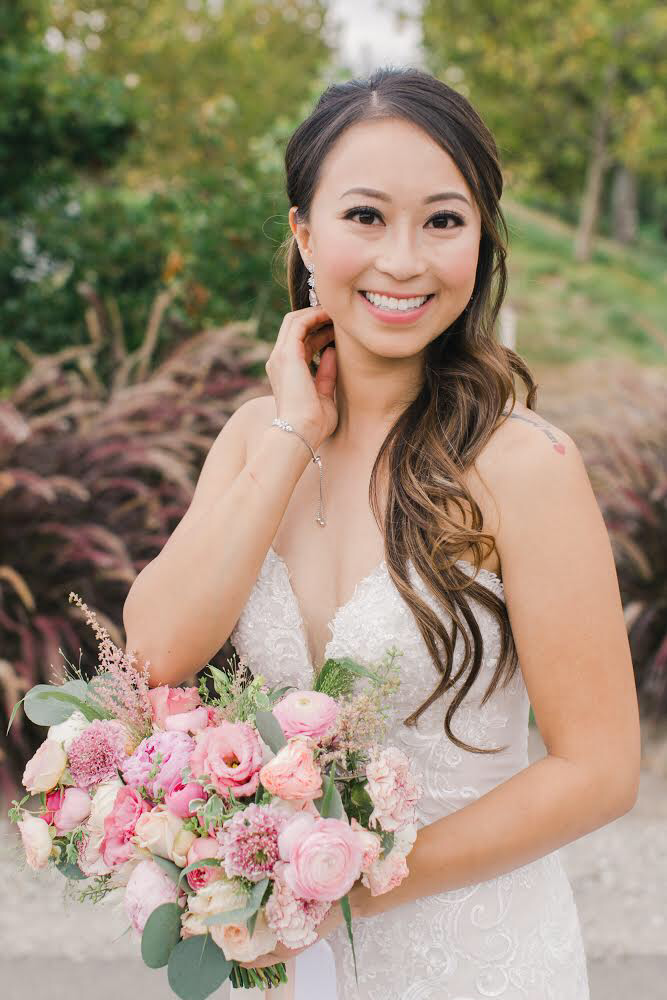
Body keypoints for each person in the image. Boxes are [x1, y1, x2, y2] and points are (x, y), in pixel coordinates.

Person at [123, 66, 641, 999]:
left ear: (481, 241)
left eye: (444, 221)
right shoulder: (252, 439)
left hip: (474, 956)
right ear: (302, 232)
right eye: (365, 216)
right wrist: (291, 436)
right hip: (277, 964)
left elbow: (599, 769)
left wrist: (347, 886)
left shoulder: (525, 466)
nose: (404, 260)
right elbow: (155, 653)